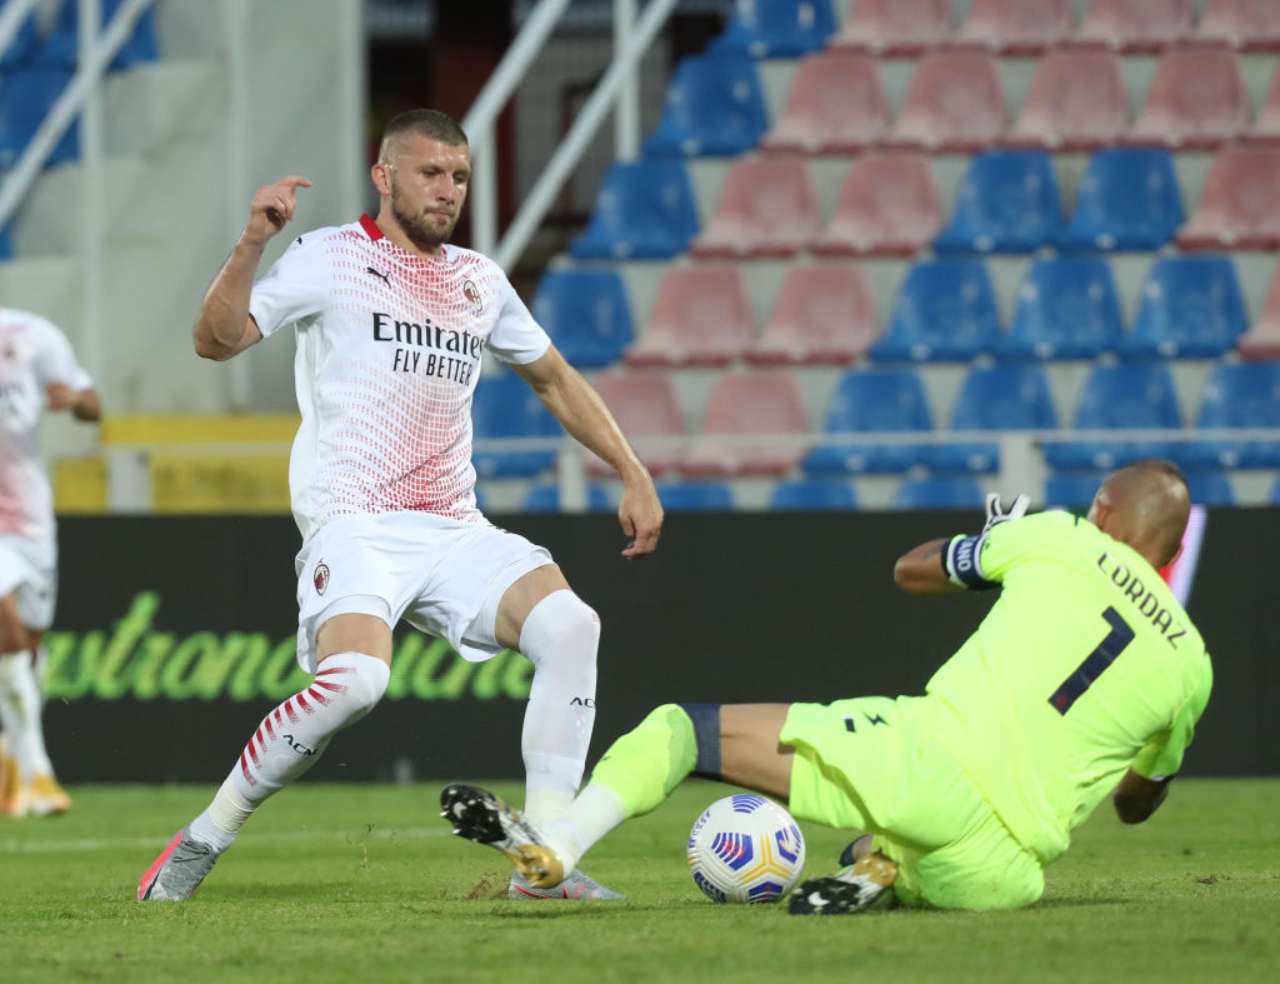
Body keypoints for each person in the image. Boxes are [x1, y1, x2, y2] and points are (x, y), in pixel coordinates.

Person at [138, 109, 663, 901]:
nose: (447, 191)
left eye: (458, 177)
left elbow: (553, 377)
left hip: (453, 526)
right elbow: (216, 341)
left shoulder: (478, 280)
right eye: (429, 173)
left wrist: (632, 468)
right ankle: (204, 837)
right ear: (384, 177)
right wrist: (254, 243)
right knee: (356, 684)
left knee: (572, 625)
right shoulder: (330, 257)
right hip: (354, 521)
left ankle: (546, 862)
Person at [442, 461, 1212, 913]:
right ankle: (876, 871)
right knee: (899, 846)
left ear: (1102, 512)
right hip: (1005, 871)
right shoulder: (1192, 667)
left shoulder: (1059, 536)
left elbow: (913, 570)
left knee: (679, 729)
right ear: (1174, 549)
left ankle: (557, 846)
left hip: (924, 766)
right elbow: (1138, 803)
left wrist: (989, 547)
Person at [0, 306, 101, 818]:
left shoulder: (31, 334)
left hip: (29, 519)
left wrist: (74, 401)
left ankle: (10, 762)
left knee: (28, 647)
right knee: (5, 628)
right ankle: (38, 770)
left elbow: (93, 406)